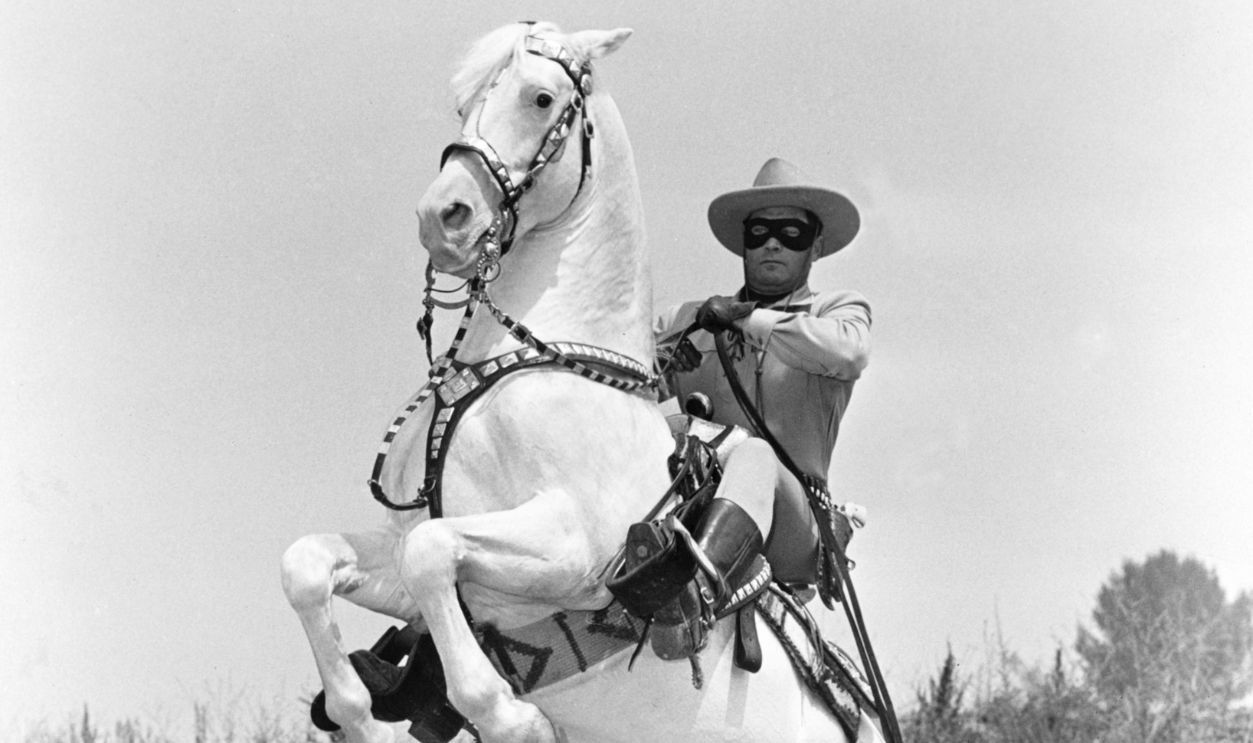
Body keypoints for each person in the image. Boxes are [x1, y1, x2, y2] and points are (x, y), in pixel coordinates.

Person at [654, 157, 871, 590]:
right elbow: (617, 394)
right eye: (760, 234)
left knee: (754, 455)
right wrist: (655, 369)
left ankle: (696, 590)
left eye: (791, 235)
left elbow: (848, 353)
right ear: (744, 245)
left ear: (815, 248)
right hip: (690, 503)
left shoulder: (838, 311)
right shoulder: (683, 319)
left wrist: (745, 320)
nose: (773, 245)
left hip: (794, 523)